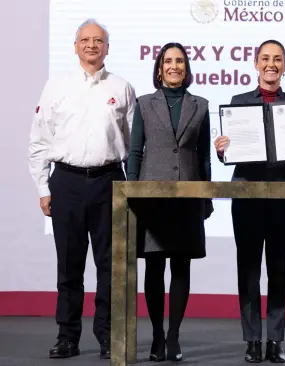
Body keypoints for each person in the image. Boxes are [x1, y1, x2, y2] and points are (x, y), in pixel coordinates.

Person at [28, 19, 136, 359]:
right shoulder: (56, 86)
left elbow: (134, 145)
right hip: (67, 182)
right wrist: (43, 188)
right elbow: (39, 141)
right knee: (69, 265)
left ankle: (107, 335)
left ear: (107, 47)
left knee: (110, 265)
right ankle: (67, 337)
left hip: (110, 183)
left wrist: (131, 188)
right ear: (75, 46)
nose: (92, 45)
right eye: (85, 40)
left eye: (98, 40)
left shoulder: (122, 87)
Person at [214, 39, 285, 363]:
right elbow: (230, 154)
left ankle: (275, 339)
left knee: (279, 268)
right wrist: (222, 149)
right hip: (246, 195)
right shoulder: (238, 102)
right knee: (247, 269)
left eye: (277, 59)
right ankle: (252, 340)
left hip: (284, 196)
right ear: (255, 63)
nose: (271, 64)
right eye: (265, 58)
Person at [127, 42, 212, 362]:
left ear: (186, 68)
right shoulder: (144, 104)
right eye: (168, 61)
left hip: (188, 196)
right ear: (159, 68)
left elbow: (203, 156)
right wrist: (131, 191)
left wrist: (206, 197)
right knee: (153, 266)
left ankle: (174, 335)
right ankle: (156, 336)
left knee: (181, 266)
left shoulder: (200, 105)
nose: (174, 66)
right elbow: (135, 152)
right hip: (151, 198)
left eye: (180, 61)